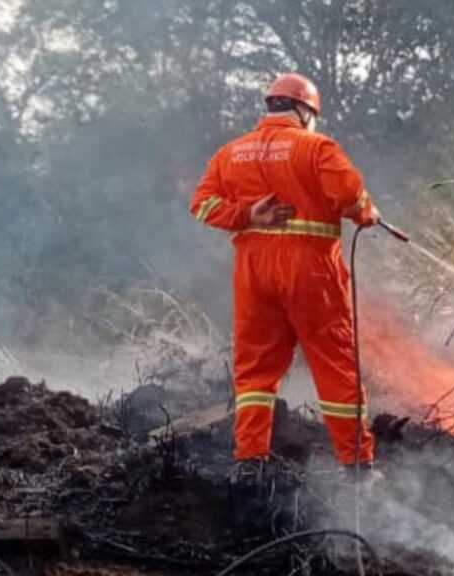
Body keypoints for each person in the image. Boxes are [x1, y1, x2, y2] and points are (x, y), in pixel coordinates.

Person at [190, 73, 380, 487]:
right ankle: (357, 467)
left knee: (256, 371)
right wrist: (366, 213)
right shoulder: (317, 147)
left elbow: (202, 205)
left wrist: (244, 214)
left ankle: (251, 462)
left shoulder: (230, 154)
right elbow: (349, 195)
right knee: (336, 364)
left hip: (254, 275)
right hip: (311, 273)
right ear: (305, 110)